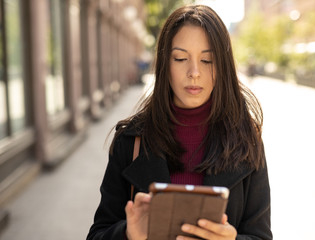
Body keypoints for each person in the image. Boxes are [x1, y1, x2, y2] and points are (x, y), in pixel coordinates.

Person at [87, 5, 272, 240]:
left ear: (222, 67)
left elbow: (261, 235)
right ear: (166, 64)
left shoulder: (247, 140)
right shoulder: (131, 140)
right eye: (181, 58)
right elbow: (97, 234)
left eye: (207, 60)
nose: (194, 72)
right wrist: (128, 234)